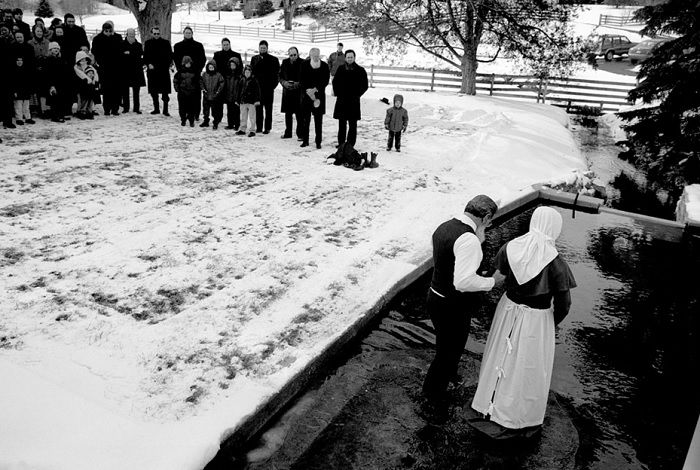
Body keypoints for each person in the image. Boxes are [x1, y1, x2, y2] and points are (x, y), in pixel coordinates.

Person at [470, 206, 576, 439]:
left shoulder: (511, 247)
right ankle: (516, 415)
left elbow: (498, 277)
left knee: (499, 354)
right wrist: (549, 322)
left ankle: (488, 400)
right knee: (526, 366)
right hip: (536, 318)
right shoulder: (557, 263)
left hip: (507, 309)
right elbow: (564, 304)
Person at [422, 195, 505, 412]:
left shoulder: (444, 227)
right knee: (448, 353)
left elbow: (451, 259)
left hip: (435, 297)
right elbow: (463, 281)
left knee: (445, 347)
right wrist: (491, 281)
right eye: (490, 220)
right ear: (486, 217)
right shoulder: (468, 240)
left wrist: (479, 236)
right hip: (453, 306)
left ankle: (447, 379)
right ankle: (431, 398)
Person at [332, 50, 368, 148]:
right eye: (348, 57)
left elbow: (365, 85)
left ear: (354, 57)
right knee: (342, 124)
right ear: (345, 58)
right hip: (342, 100)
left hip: (353, 101)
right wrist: (339, 93)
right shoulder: (341, 69)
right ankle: (341, 143)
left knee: (353, 124)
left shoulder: (360, 70)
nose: (350, 59)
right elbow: (335, 82)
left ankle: (350, 144)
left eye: (351, 57)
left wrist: (357, 95)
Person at [299, 47, 329, 149]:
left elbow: (325, 80)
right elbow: (302, 80)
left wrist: (315, 89)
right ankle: (305, 140)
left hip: (319, 96)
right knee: (305, 120)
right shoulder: (304, 65)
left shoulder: (324, 66)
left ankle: (318, 142)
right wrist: (308, 90)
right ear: (310, 56)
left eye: (318, 56)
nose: (316, 58)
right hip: (307, 96)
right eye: (314, 56)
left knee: (318, 120)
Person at [91, 22, 123, 116]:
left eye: (110, 31)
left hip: (116, 67)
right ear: (103, 30)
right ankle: (107, 109)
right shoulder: (97, 39)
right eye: (106, 31)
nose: (108, 33)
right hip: (104, 67)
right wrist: (99, 61)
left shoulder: (117, 37)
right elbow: (94, 51)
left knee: (116, 89)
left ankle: (115, 109)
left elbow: (120, 50)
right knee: (106, 89)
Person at [173, 26, 205, 119]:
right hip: (183, 75)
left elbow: (202, 59)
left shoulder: (198, 46)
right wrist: (181, 70)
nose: (188, 34)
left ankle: (196, 114)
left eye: (189, 33)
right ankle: (184, 114)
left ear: (192, 34)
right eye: (186, 33)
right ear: (183, 34)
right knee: (183, 97)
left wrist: (198, 70)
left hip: (195, 74)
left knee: (196, 97)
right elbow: (176, 59)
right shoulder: (178, 46)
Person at [250, 40, 279, 134]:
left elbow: (277, 74)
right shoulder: (254, 59)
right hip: (257, 88)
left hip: (268, 88)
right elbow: (252, 73)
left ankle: (267, 128)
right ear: (259, 48)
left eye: (264, 48)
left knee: (268, 109)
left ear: (267, 48)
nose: (263, 49)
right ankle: (259, 127)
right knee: (258, 109)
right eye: (261, 47)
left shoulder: (273, 59)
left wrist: (273, 86)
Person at [143, 26, 172, 116]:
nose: (156, 35)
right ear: (152, 33)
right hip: (152, 71)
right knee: (153, 91)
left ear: (160, 33)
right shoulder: (148, 43)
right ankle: (156, 108)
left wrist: (165, 65)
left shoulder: (166, 43)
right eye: (154, 33)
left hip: (163, 71)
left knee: (165, 92)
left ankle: (165, 110)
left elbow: (170, 56)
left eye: (158, 33)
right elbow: (145, 56)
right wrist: (148, 64)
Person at [44, 41, 72, 122]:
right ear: (50, 50)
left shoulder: (61, 59)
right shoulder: (48, 60)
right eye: (54, 48)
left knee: (61, 100)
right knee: (54, 101)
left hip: (61, 83)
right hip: (52, 83)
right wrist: (51, 85)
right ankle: (55, 116)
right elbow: (47, 73)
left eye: (57, 48)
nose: (56, 50)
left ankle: (61, 114)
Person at [279, 46, 302, 140]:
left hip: (298, 92)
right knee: (288, 114)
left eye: (294, 55)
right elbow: (280, 76)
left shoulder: (303, 63)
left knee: (299, 115)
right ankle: (288, 132)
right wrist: (284, 83)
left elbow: (305, 78)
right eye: (291, 55)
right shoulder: (284, 62)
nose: (293, 56)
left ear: (298, 54)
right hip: (287, 91)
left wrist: (297, 84)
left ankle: (300, 134)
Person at [121, 28, 145, 114]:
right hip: (125, 70)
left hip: (136, 70)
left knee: (136, 91)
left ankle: (136, 108)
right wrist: (131, 54)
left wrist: (129, 53)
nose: (131, 36)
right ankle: (126, 108)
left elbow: (140, 55)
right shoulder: (122, 44)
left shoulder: (138, 45)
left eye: (133, 35)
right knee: (125, 91)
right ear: (126, 35)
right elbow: (121, 56)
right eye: (130, 34)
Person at [173, 55, 200, 127]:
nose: (188, 64)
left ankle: (191, 121)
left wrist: (197, 89)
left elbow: (199, 81)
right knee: (182, 107)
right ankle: (183, 120)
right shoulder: (179, 72)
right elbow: (175, 81)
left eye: (189, 63)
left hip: (192, 92)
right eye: (186, 63)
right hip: (182, 92)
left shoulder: (195, 71)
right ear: (183, 63)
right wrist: (177, 89)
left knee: (191, 107)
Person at [235, 64, 261, 137]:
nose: (247, 74)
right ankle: (242, 129)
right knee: (243, 116)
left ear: (251, 72)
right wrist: (237, 100)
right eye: (246, 72)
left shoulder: (254, 81)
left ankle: (252, 130)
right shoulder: (241, 80)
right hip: (243, 101)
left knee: (252, 117)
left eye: (248, 72)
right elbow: (238, 91)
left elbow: (257, 91)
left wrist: (257, 100)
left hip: (251, 102)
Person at [73, 49, 99, 119]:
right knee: (82, 100)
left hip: (90, 86)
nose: (84, 61)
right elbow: (80, 74)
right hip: (81, 86)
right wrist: (87, 79)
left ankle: (89, 111)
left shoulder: (90, 67)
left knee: (90, 99)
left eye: (85, 59)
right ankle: (81, 111)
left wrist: (94, 81)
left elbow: (95, 73)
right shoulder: (76, 67)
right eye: (82, 60)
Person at [199, 59, 224, 129]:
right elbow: (201, 82)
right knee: (205, 110)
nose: (211, 69)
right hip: (206, 96)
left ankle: (215, 122)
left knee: (215, 111)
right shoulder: (205, 74)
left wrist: (218, 92)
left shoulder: (218, 75)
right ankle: (206, 121)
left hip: (214, 96)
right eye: (210, 67)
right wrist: (203, 89)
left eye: (212, 67)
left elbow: (221, 83)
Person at [1, 24, 16, 128]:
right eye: (1, 30)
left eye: (5, 30)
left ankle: (8, 120)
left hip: (10, 72)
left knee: (9, 99)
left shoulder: (12, 42)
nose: (3, 32)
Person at [11, 56, 34, 125]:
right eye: (18, 60)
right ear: (15, 61)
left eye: (21, 60)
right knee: (18, 105)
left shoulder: (26, 70)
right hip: (17, 91)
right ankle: (19, 119)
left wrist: (30, 90)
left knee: (26, 105)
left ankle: (28, 118)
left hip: (26, 90)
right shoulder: (13, 71)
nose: (19, 62)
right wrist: (14, 91)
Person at [222, 56, 242, 130]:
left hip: (236, 96)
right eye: (231, 65)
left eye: (234, 65)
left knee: (236, 112)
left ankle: (237, 125)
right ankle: (230, 124)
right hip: (229, 95)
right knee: (229, 111)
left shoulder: (240, 75)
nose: (232, 66)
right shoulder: (228, 74)